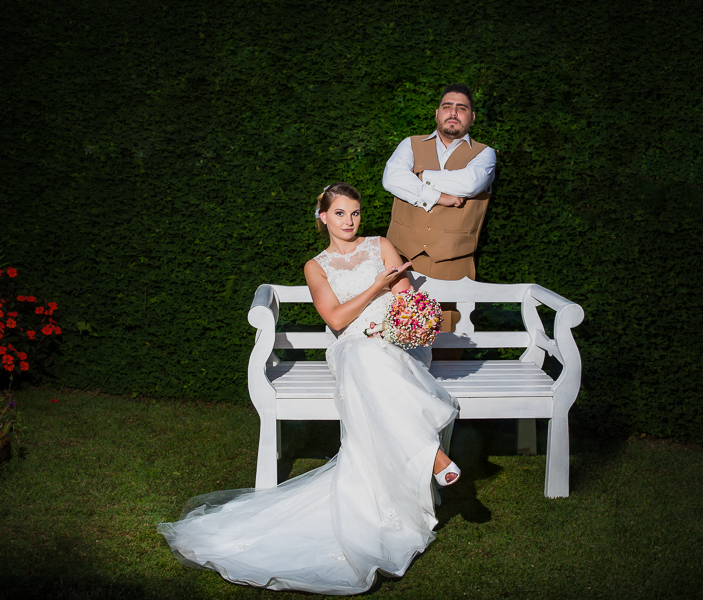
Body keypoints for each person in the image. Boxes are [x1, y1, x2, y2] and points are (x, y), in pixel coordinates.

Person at [157, 182, 461, 595]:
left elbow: (406, 301)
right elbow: (335, 319)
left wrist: (401, 325)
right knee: (362, 356)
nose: (349, 221)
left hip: (395, 342)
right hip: (351, 346)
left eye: (354, 213)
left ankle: (428, 458)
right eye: (340, 214)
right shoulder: (315, 266)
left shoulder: (382, 245)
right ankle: (432, 455)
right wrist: (375, 289)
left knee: (377, 359)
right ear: (323, 217)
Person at [382, 83, 497, 345]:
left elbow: (469, 183)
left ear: (472, 117)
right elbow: (391, 179)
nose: (453, 112)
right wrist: (439, 197)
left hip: (454, 264)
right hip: (401, 260)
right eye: (447, 107)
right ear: (437, 113)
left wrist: (420, 178)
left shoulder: (485, 154)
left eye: (461, 108)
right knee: (394, 337)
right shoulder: (409, 145)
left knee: (448, 343)